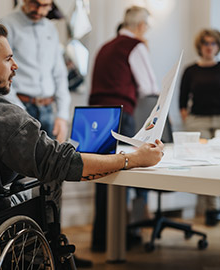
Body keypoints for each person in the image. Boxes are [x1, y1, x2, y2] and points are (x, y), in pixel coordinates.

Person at [0, 19, 164, 265]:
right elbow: (64, 163)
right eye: (9, 58)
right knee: (46, 178)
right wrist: (133, 159)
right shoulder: (2, 114)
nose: (14, 66)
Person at [88, 5, 160, 252]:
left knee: (100, 173)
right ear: (141, 26)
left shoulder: (105, 47)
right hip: (121, 115)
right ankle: (125, 235)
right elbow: (149, 87)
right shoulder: (135, 46)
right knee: (125, 173)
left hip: (95, 116)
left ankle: (101, 239)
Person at [179, 28, 220, 227]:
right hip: (199, 121)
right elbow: (182, 101)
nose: (209, 47)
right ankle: (212, 209)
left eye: (213, 43)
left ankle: (215, 207)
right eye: (206, 43)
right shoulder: (191, 71)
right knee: (205, 163)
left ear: (218, 46)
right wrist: (187, 120)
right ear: (200, 46)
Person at [0, 0, 70, 144]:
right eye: (35, 4)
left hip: (48, 110)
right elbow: (2, 73)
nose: (39, 11)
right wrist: (19, 112)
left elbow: (59, 73)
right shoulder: (6, 26)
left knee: (52, 164)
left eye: (45, 6)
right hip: (20, 107)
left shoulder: (50, 28)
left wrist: (62, 115)